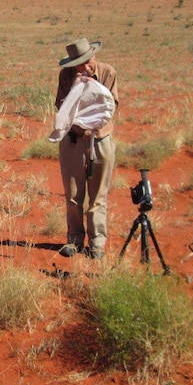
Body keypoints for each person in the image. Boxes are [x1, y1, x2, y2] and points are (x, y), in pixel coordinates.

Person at [54, 38, 118, 260]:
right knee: (73, 195)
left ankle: (97, 243)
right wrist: (75, 89)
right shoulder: (66, 76)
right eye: (79, 63)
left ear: (93, 55)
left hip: (101, 140)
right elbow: (62, 108)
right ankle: (74, 240)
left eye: (87, 60)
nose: (85, 67)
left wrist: (92, 86)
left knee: (98, 195)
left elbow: (110, 106)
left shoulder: (108, 72)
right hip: (73, 141)